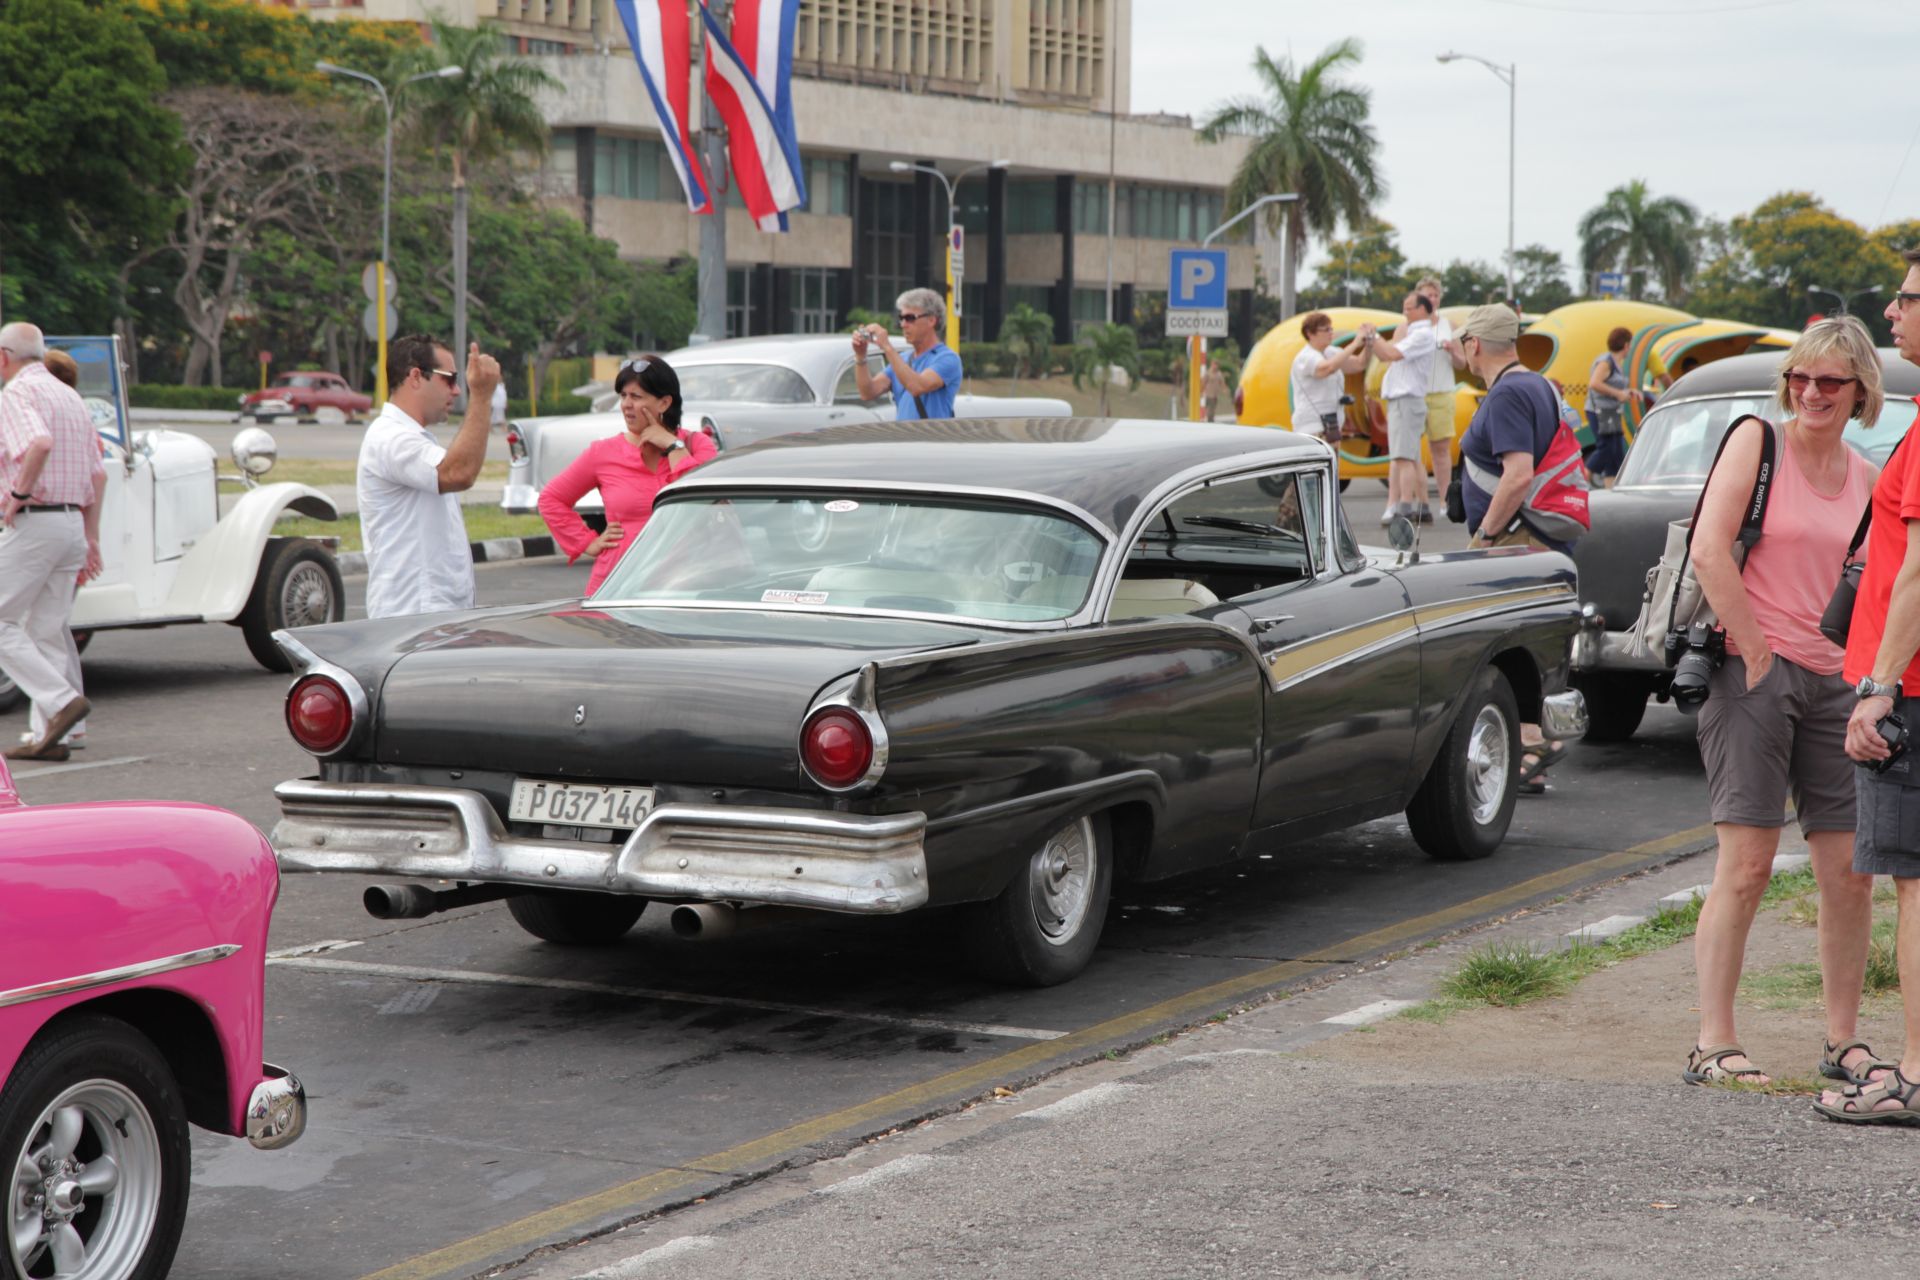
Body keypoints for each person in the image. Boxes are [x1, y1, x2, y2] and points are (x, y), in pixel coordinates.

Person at [1678, 316, 1883, 1089]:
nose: (1811, 392)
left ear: (1860, 391)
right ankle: (1713, 1042)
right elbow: (1708, 549)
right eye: (1800, 377)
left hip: (1837, 683)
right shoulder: (1757, 442)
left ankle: (1842, 1040)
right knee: (1748, 864)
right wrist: (1758, 652)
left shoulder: (1867, 477)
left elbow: (1876, 584)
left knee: (1849, 872)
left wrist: (1871, 680)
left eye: (1829, 381)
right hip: (1751, 672)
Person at [1821, 250, 1920, 1122]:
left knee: (1915, 883)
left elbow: (1919, 571)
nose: (1891, 313)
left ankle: (1916, 1073)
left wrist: (1879, 686)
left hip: (1911, 686)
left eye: (1906, 298)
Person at [1457, 303, 1576, 791]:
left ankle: (1533, 743)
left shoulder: (1507, 393)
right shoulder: (1538, 384)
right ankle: (1530, 755)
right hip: (1541, 536)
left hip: (1515, 536)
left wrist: (1485, 534)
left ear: (1474, 344)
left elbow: (1518, 474)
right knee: (1528, 642)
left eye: (1463, 341)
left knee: (1503, 643)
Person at [0, 323, 106, 762]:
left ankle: (61, 702)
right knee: (46, 630)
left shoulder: (16, 394)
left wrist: (18, 493)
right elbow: (98, 473)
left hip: (36, 522)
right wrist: (91, 535)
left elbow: (38, 443)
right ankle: (51, 735)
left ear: (3, 357)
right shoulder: (69, 397)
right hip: (70, 525)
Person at [538, 356, 717, 593]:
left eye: (636, 397)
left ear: (664, 403)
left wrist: (673, 445)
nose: (626, 404)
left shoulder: (698, 445)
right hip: (619, 587)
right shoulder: (603, 453)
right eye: (623, 396)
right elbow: (551, 499)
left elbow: (704, 501)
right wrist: (588, 542)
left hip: (686, 586)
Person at [356, 334, 500, 620]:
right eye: (450, 379)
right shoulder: (391, 437)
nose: (456, 391)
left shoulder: (411, 436)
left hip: (430, 615)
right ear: (415, 377)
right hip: (412, 615)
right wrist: (482, 396)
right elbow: (458, 473)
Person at [1370, 291, 1438, 525]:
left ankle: (1404, 508)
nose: (1404, 312)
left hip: (1406, 400)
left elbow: (1391, 353)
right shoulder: (1416, 333)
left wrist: (1373, 334)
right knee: (1412, 457)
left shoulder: (1421, 334)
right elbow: (1384, 355)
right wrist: (1373, 340)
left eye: (1409, 308)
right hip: (1407, 400)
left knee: (1402, 458)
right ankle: (1423, 507)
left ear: (1422, 309)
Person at [853, 288, 963, 421]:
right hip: (903, 435)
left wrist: (886, 346)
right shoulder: (902, 359)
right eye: (901, 318)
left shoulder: (947, 358)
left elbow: (917, 386)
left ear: (931, 320)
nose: (903, 324)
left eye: (910, 318)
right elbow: (867, 392)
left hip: (931, 435)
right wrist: (860, 356)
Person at [1416, 277, 1464, 516]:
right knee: (1412, 450)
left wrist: (1453, 350)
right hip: (1416, 392)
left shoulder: (1449, 325)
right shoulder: (1412, 325)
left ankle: (1445, 501)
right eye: (1428, 295)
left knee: (1441, 449)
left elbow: (1462, 363)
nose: (1432, 299)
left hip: (1442, 391)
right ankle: (1419, 500)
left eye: (1435, 295)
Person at [1289, 313, 1370, 443]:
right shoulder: (1305, 357)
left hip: (1332, 426)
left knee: (1332, 457)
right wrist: (1355, 344)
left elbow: (1359, 364)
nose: (1331, 333)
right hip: (1312, 428)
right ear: (1310, 333)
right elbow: (1327, 368)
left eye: (1331, 329)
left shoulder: (1331, 352)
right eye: (1326, 329)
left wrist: (1369, 343)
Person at [1585, 326, 1640, 487]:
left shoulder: (1616, 363)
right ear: (1626, 345)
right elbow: (1594, 383)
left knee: (1616, 454)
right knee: (1606, 449)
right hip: (1600, 412)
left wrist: (1628, 392)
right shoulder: (1606, 362)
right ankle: (1582, 477)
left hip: (1611, 412)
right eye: (1630, 344)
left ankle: (1611, 488)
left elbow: (1612, 385)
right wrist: (1618, 394)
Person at [1201, 358, 1230, 422]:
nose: (1215, 366)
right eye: (1214, 364)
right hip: (1208, 395)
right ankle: (1209, 421)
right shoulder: (1208, 373)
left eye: (1216, 365)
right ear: (1211, 364)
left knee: (1212, 411)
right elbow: (1203, 383)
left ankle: (1210, 421)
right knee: (1209, 411)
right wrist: (1202, 392)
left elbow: (1222, 383)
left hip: (1215, 396)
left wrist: (1225, 389)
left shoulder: (1219, 374)